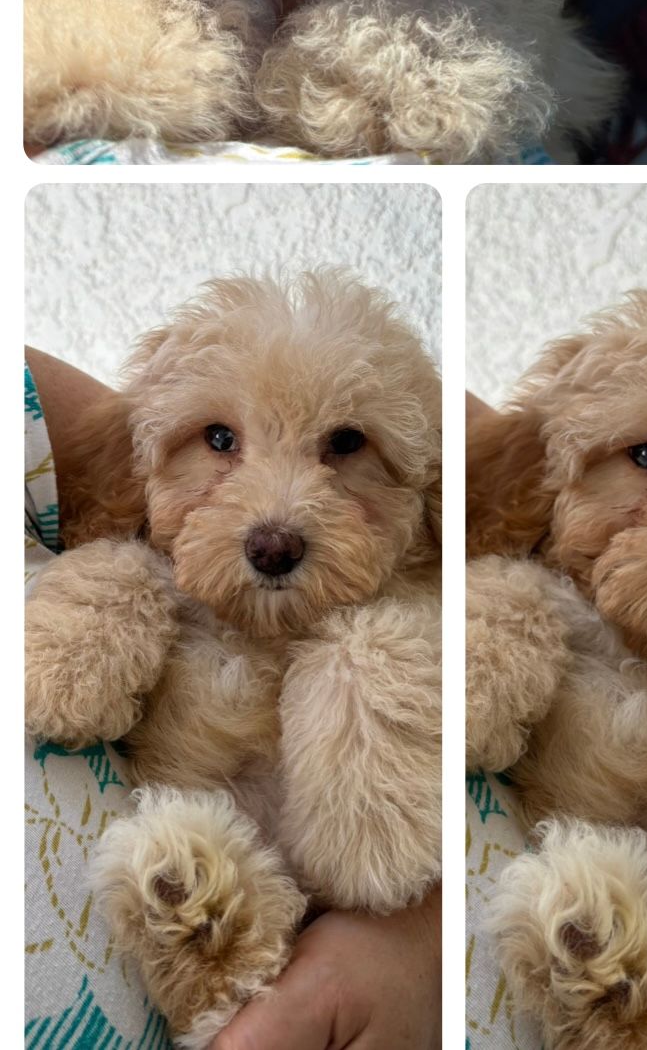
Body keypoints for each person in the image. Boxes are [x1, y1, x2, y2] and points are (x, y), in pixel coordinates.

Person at [25, 350, 443, 1050]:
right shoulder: (138, 545)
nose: (278, 518)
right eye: (221, 441)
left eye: (344, 444)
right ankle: (216, 949)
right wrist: (116, 586)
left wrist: (424, 937)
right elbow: (109, 526)